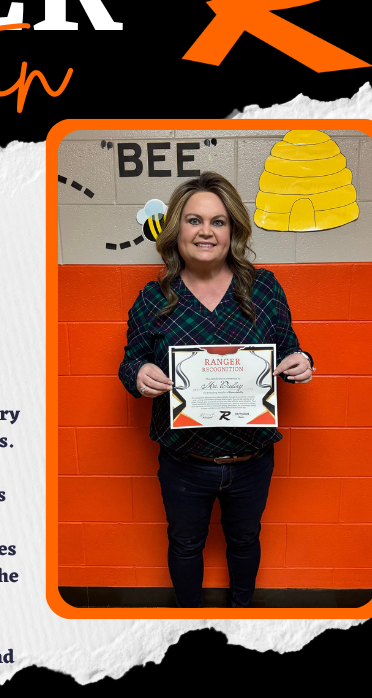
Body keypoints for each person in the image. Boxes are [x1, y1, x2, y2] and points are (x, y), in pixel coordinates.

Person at [118, 172, 314, 608]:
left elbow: (289, 348)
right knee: (185, 546)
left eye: (218, 221)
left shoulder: (263, 287)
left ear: (233, 230)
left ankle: (242, 617)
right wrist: (139, 374)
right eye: (194, 220)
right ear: (176, 230)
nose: (206, 231)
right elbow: (130, 361)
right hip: (185, 464)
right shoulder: (154, 297)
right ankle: (188, 622)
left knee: (244, 542)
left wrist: (303, 363)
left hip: (251, 460)